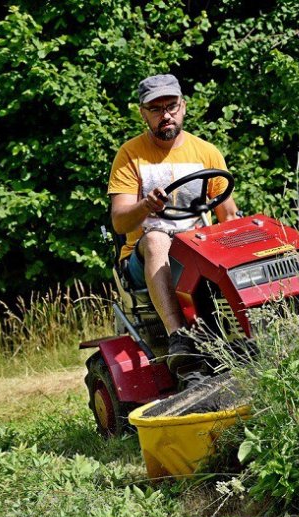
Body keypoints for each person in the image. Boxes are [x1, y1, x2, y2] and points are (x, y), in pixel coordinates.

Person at [107, 74, 238, 384]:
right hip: (143, 258)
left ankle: (248, 334)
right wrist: (145, 207)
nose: (165, 115)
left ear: (183, 107)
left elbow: (228, 217)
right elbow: (120, 221)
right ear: (143, 113)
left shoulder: (206, 152)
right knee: (155, 238)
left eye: (171, 106)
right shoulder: (130, 156)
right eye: (155, 108)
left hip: (195, 249)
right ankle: (178, 337)